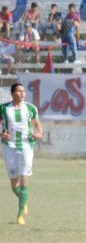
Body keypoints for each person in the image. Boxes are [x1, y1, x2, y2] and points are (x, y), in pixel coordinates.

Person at [0, 83, 44, 225]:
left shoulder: (31, 108)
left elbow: (37, 125)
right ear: (12, 93)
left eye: (24, 91)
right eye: (19, 91)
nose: (22, 93)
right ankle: (22, 200)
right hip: (10, 147)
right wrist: (2, 134)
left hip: (26, 146)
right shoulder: (4, 108)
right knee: (14, 184)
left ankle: (20, 214)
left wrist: (38, 134)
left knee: (25, 178)